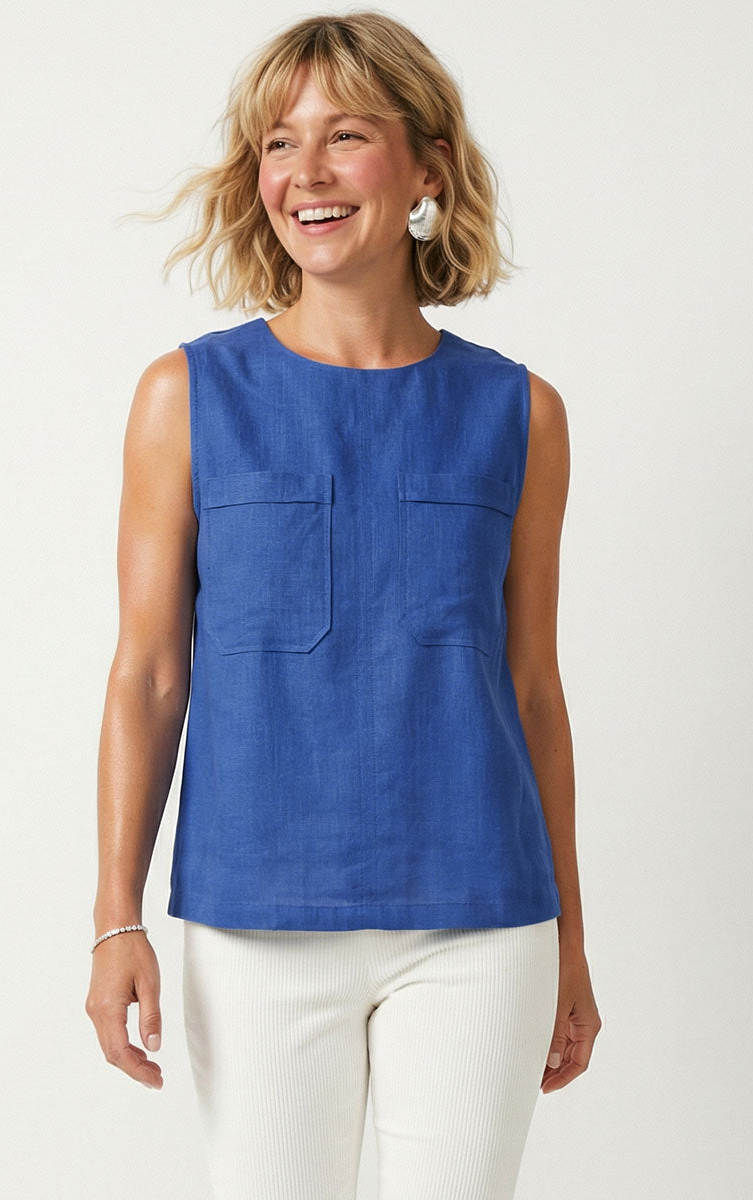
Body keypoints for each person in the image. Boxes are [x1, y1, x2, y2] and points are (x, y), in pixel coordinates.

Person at [86, 11, 601, 1199]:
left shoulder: (521, 414)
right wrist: (116, 919)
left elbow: (531, 691)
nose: (304, 173)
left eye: (345, 136)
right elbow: (148, 676)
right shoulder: (186, 397)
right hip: (252, 923)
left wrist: (569, 939)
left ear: (426, 170)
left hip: (481, 921)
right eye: (278, 143)